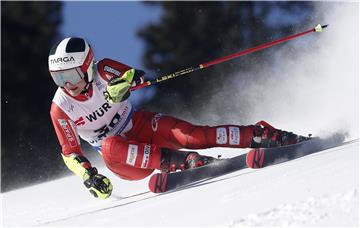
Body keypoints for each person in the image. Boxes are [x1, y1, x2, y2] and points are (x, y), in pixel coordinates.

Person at [49, 37, 307, 199]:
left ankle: (262, 135)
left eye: (70, 76)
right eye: (58, 78)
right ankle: (178, 162)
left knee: (194, 135)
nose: (66, 85)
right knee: (108, 146)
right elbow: (70, 152)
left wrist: (122, 84)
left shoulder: (103, 69)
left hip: (140, 124)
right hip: (125, 159)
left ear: (87, 66)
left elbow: (135, 74)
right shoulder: (61, 107)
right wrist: (90, 177)